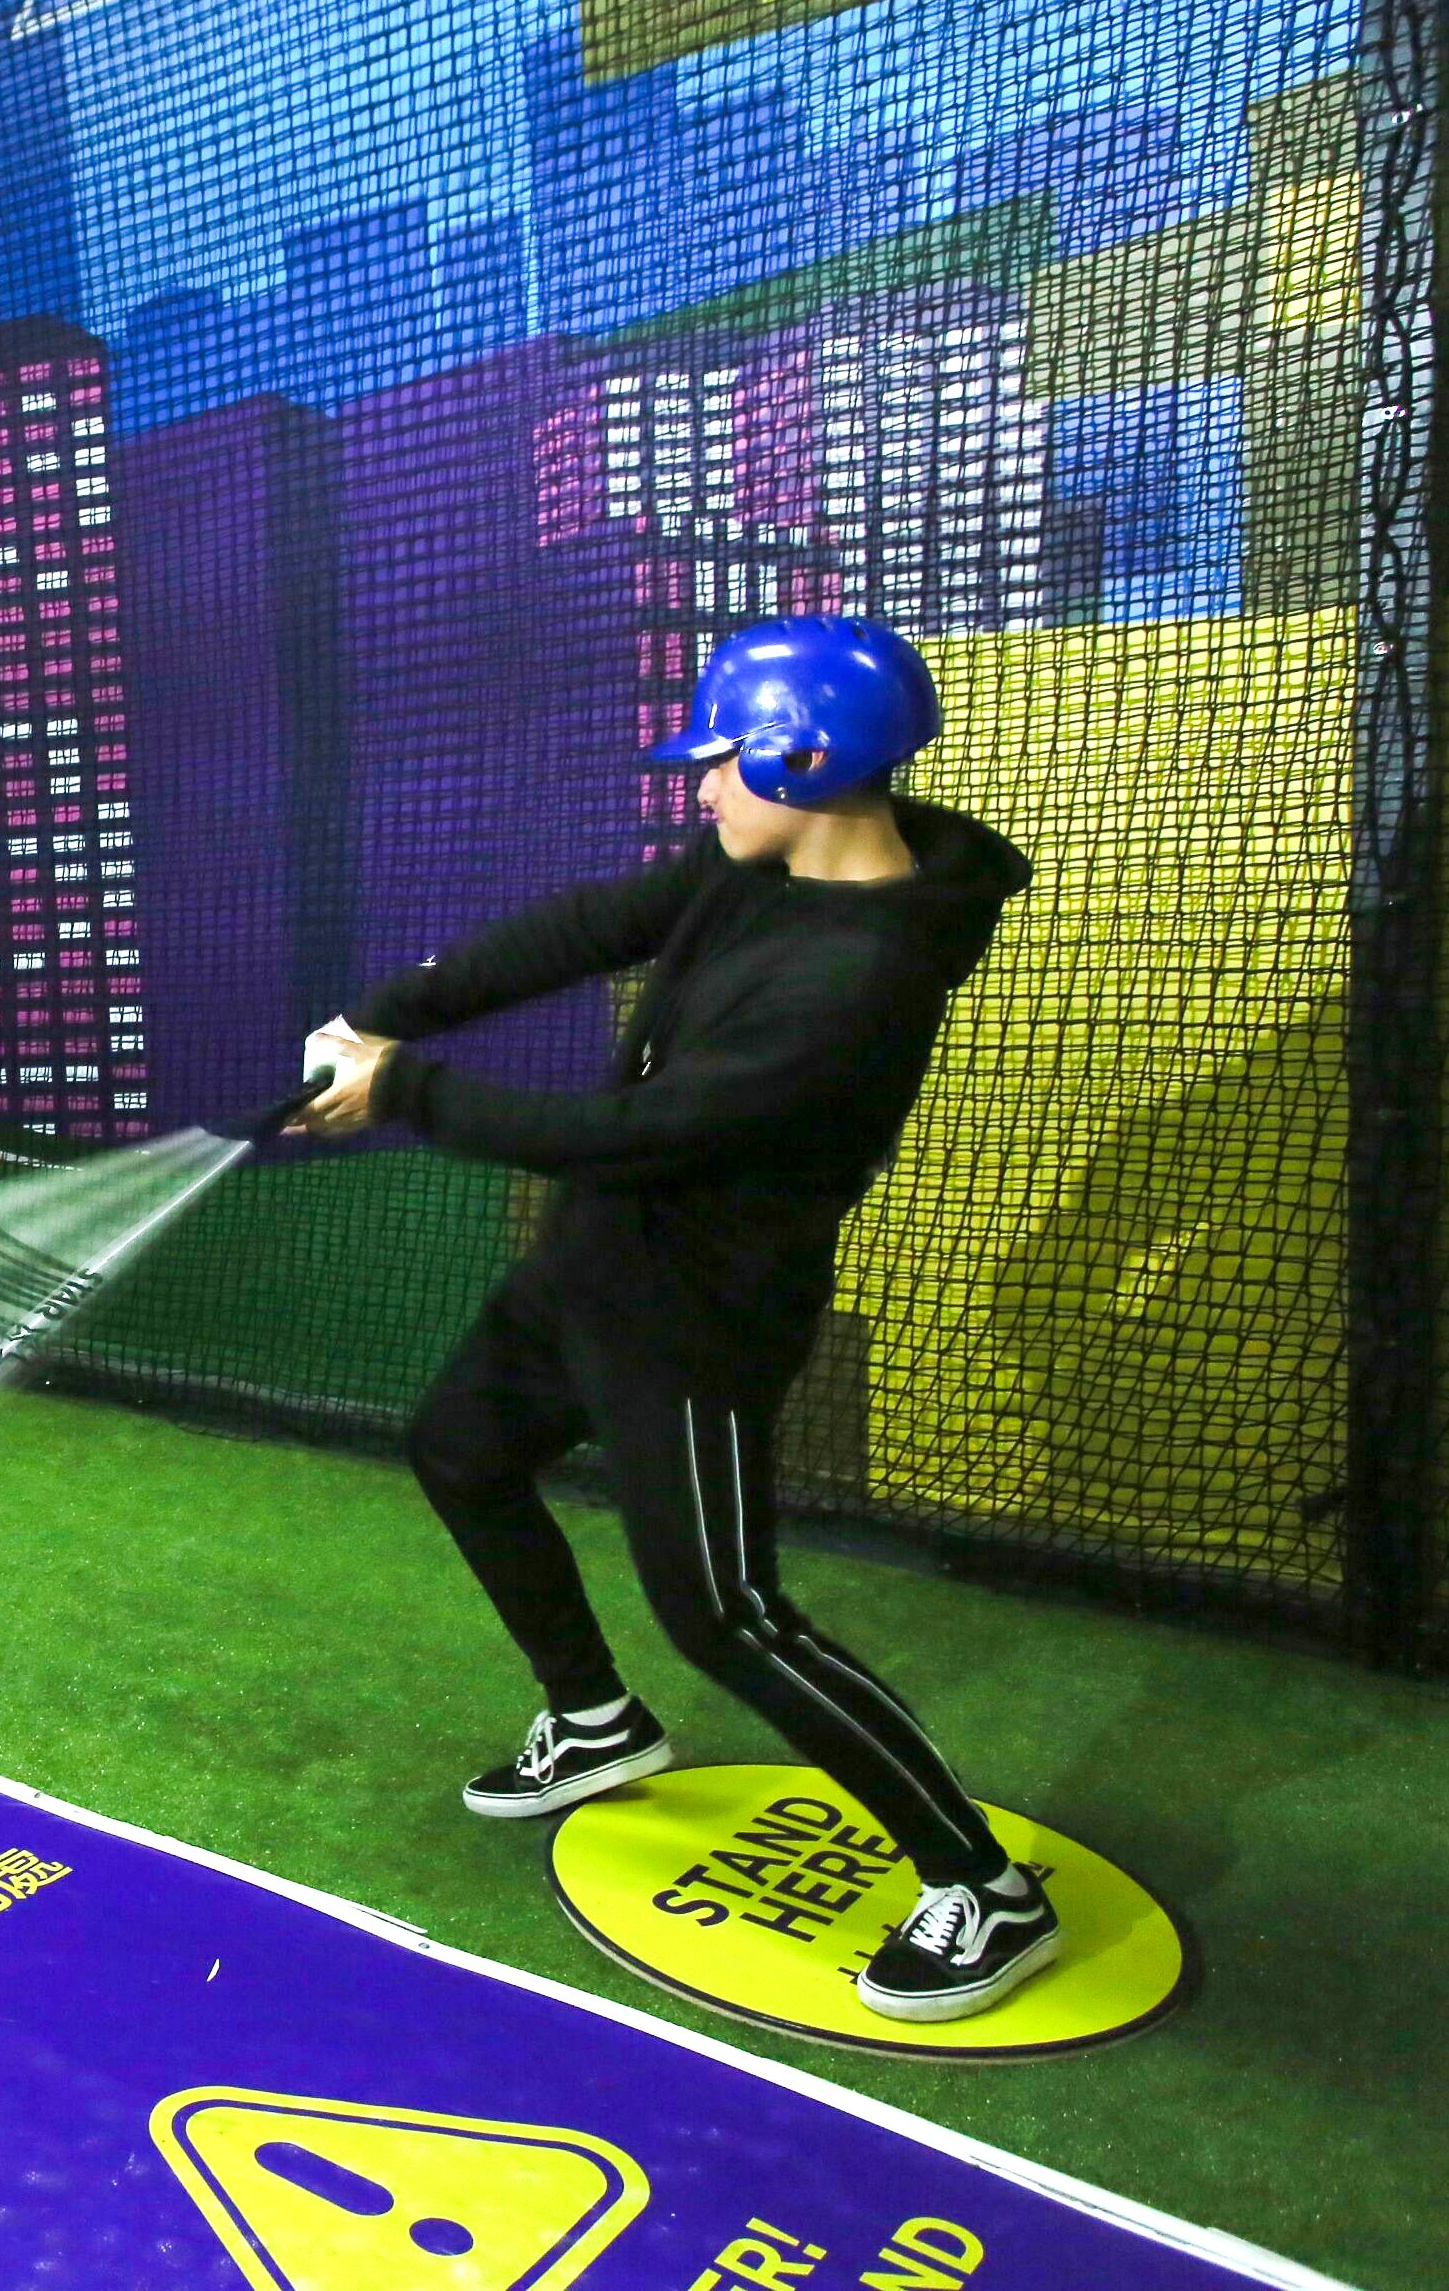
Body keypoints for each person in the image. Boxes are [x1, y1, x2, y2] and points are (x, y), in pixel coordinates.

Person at [292, 617, 1056, 2023]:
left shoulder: (858, 980)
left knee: (728, 1618)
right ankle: (594, 1719)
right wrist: (393, 1010)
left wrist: (406, 1095)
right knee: (460, 1448)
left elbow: (636, 1135)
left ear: (805, 761)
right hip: (595, 1266)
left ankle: (986, 1890)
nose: (699, 790)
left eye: (720, 765)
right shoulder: (758, 862)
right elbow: (594, 923)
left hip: (693, 1315)